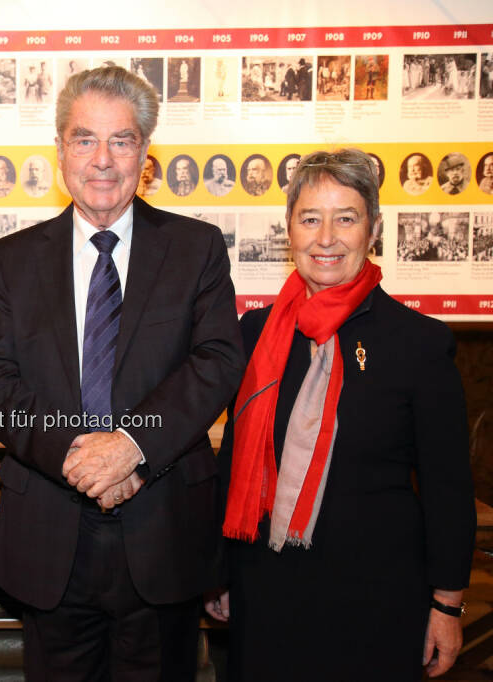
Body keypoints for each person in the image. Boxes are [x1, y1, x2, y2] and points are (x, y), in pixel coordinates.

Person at [0, 65, 243, 679]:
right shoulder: (12, 259)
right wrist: (79, 457)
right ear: (61, 149)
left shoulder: (195, 248)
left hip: (163, 525)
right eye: (84, 138)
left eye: (121, 140)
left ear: (144, 154)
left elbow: (218, 360)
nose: (102, 159)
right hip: (51, 534)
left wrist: (132, 448)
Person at [210, 148, 475, 681]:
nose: (326, 237)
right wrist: (220, 573)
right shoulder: (255, 334)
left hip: (377, 598)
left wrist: (447, 605)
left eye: (345, 219)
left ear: (373, 229)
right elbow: (233, 462)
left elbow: (448, 487)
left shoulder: (419, 343)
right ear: (290, 229)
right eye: (310, 218)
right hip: (266, 591)